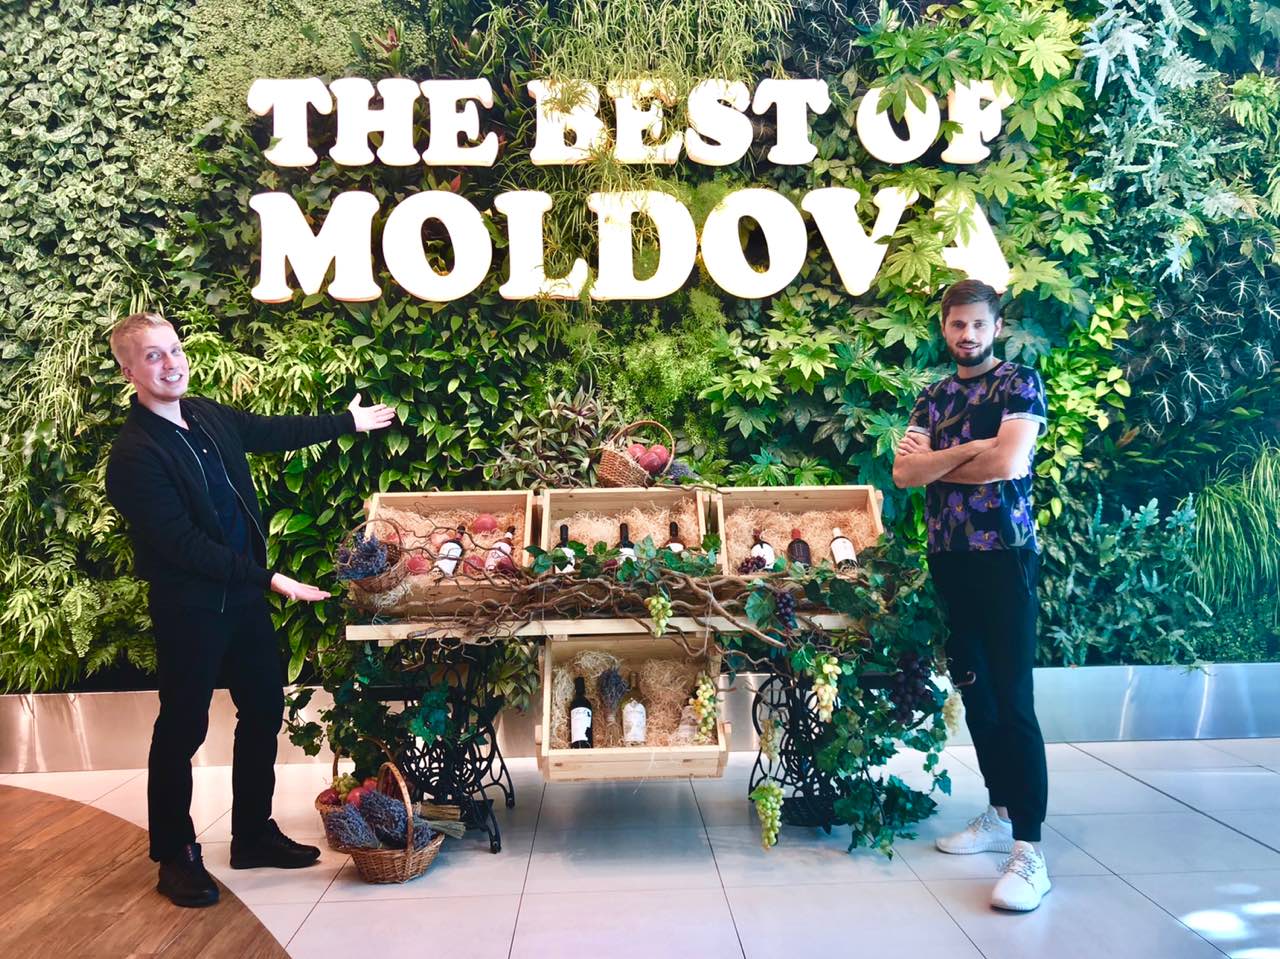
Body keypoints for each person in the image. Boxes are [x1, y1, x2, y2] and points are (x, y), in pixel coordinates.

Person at [105, 311, 395, 908]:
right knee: (182, 728)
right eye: (153, 356)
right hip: (190, 608)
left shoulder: (207, 415)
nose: (171, 364)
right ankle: (175, 854)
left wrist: (348, 421)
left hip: (242, 600)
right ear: (129, 370)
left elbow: (269, 431)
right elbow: (184, 545)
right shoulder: (135, 455)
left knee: (263, 708)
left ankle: (253, 834)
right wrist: (270, 578)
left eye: (175, 349)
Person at [892, 279, 1051, 912]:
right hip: (950, 557)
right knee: (978, 693)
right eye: (958, 324)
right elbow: (905, 473)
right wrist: (976, 447)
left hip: (1004, 557)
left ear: (996, 327)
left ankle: (1030, 849)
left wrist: (947, 459)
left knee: (1013, 700)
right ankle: (999, 812)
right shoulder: (932, 397)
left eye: (979, 324)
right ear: (945, 327)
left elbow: (1008, 464)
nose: (968, 334)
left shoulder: (1018, 384)